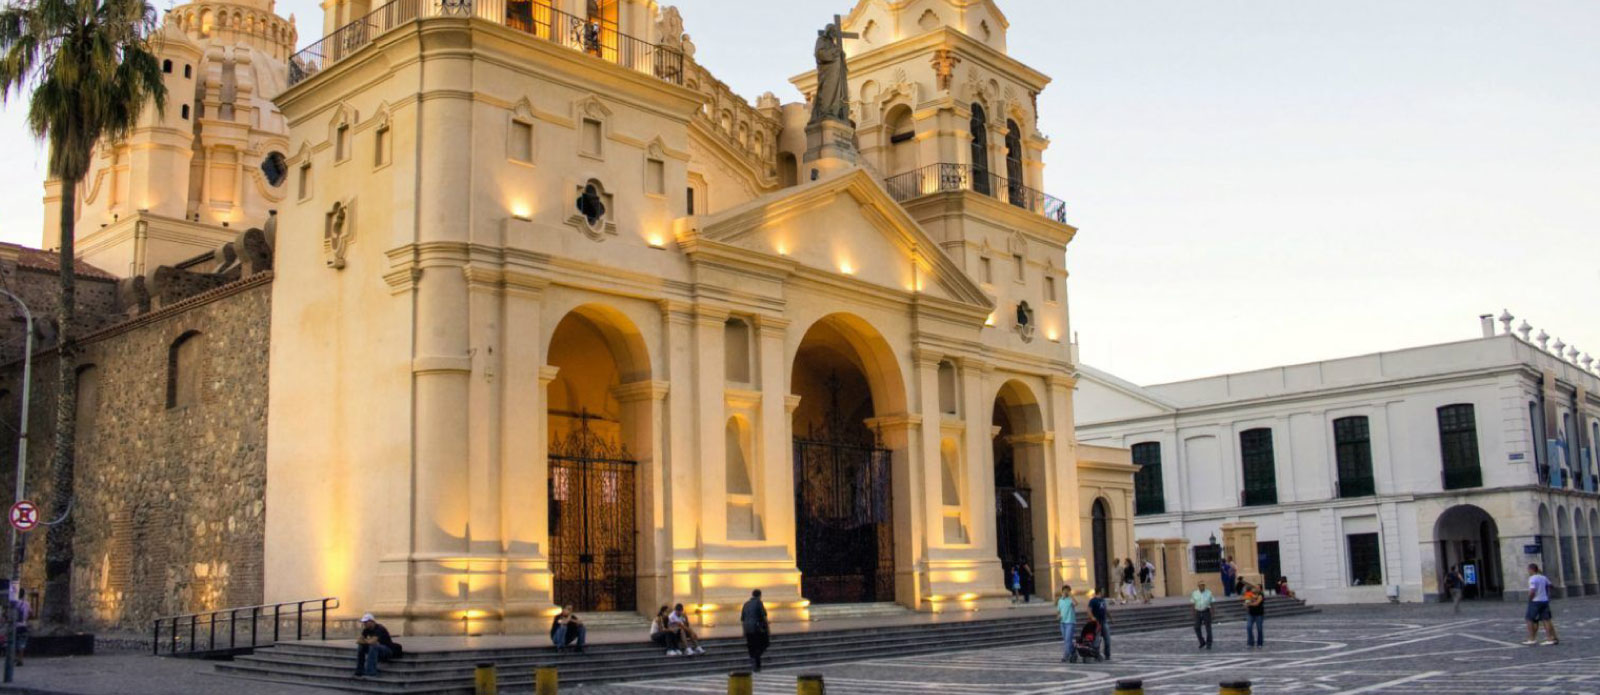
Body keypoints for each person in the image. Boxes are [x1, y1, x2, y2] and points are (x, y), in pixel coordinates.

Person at [1523, 563, 1559, 646]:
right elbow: (1551, 586)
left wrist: (1530, 598)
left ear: (1532, 569)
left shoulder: (1532, 579)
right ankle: (1550, 638)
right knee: (1546, 619)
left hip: (1535, 601)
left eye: (1528, 569)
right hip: (1544, 600)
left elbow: (1532, 590)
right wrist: (1546, 593)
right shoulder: (1543, 577)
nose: (1528, 571)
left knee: (1529, 619)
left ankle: (1532, 638)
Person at [740, 589, 770, 672]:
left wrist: (744, 631)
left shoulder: (746, 604)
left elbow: (742, 618)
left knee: (751, 646)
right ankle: (756, 662)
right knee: (764, 644)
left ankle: (754, 661)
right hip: (756, 628)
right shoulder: (759, 603)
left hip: (747, 629)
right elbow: (763, 616)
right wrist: (767, 628)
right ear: (760, 595)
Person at [1056, 584, 1077, 663]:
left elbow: (1076, 603)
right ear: (1062, 591)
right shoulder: (1060, 600)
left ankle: (1066, 656)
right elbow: (1058, 611)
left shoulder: (1070, 600)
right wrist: (1058, 616)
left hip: (1070, 622)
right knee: (1066, 640)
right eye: (1065, 590)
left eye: (1068, 591)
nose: (1066, 592)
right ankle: (1073, 651)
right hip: (1062, 623)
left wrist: (1071, 596)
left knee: (1068, 639)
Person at [1087, 589, 1111, 660]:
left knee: (1107, 639)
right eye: (1102, 591)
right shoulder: (1093, 601)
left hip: (1104, 621)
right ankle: (1096, 654)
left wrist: (1111, 618)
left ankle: (1107, 654)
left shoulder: (1103, 600)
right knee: (1096, 640)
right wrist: (1092, 617)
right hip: (1096, 623)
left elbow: (1105, 610)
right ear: (1099, 592)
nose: (1104, 592)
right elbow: (1089, 610)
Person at [1191, 581, 1214, 649]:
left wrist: (1212, 612)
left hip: (1206, 611)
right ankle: (1202, 642)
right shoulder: (1194, 593)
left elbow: (1212, 603)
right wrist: (1193, 612)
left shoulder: (1209, 592)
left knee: (1208, 628)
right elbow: (1193, 603)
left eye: (1203, 585)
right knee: (1196, 627)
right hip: (1198, 611)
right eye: (1201, 585)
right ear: (1198, 586)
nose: (1202, 586)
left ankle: (1209, 643)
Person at [10, 589, 30, 667]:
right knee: (22, 644)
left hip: (15, 626)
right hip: (23, 626)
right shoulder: (27, 603)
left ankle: (14, 657)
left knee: (13, 642)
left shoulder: (14, 603)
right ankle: (20, 659)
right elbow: (30, 613)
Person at [1243, 582, 1265, 648]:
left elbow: (1257, 603)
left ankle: (1259, 643)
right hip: (1251, 614)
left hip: (1259, 614)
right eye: (1255, 587)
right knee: (1249, 627)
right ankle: (1250, 643)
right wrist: (1246, 605)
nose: (1256, 588)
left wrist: (1248, 604)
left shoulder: (1261, 595)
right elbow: (1246, 601)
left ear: (1260, 589)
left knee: (1259, 629)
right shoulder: (1250, 594)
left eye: (1257, 587)